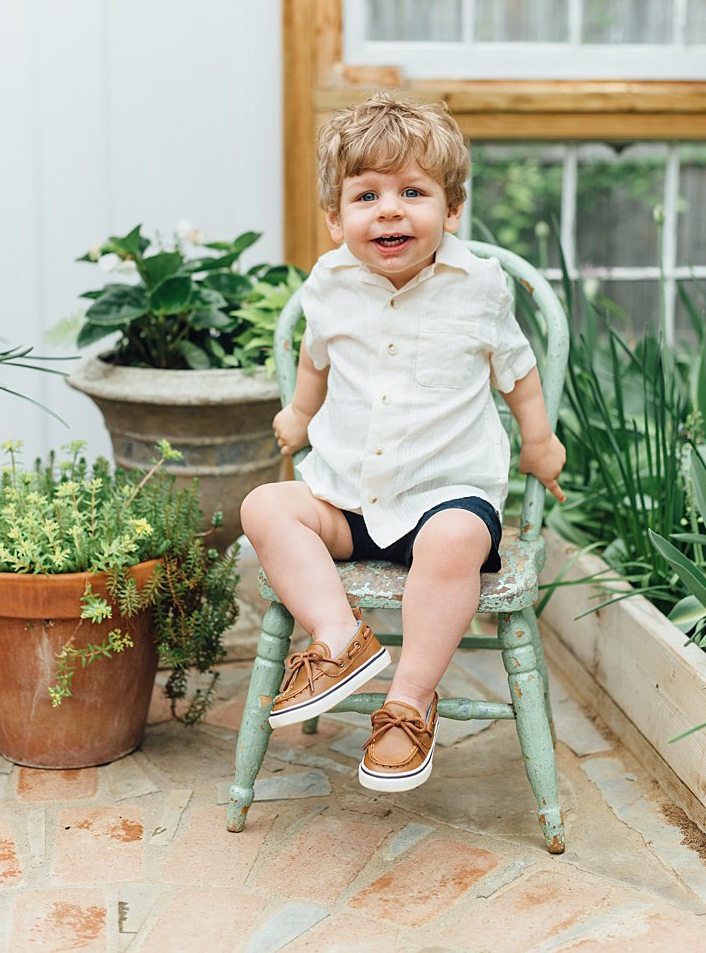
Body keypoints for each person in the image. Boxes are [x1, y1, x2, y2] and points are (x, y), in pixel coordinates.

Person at [239, 93, 567, 793]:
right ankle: (339, 639)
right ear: (335, 218)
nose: (389, 210)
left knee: (453, 541)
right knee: (266, 506)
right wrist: (299, 415)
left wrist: (538, 441)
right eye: (366, 196)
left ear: (451, 211)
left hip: (444, 500)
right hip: (347, 500)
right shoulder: (329, 284)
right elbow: (314, 358)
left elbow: (520, 371)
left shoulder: (480, 288)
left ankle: (407, 703)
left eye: (412, 192)